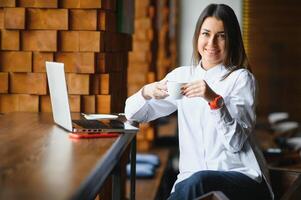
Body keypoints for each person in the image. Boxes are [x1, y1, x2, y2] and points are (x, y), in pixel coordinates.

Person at [125, 4, 273, 200]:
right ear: (197, 36)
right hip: (191, 182)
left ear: (232, 40)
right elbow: (133, 114)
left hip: (241, 178)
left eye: (221, 36)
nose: (212, 43)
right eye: (206, 33)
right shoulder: (182, 76)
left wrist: (214, 100)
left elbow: (235, 143)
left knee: (198, 181)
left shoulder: (240, 79)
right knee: (192, 182)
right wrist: (146, 92)